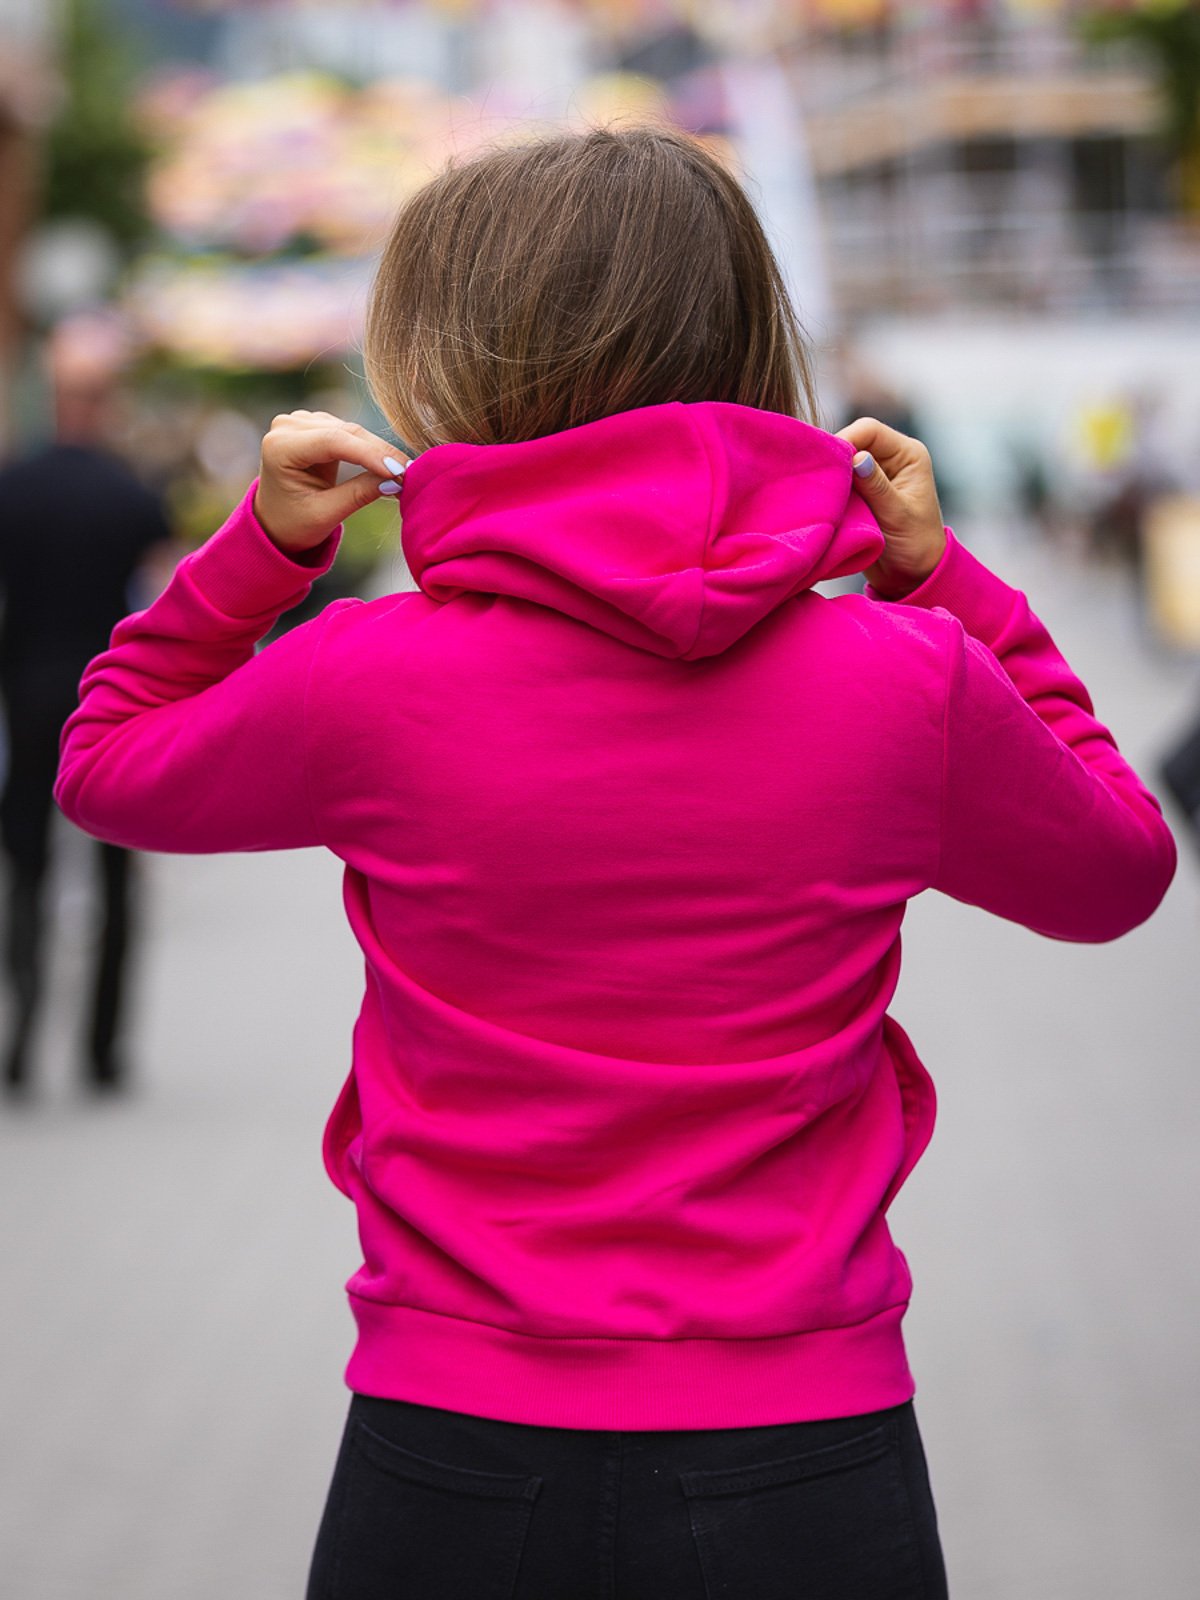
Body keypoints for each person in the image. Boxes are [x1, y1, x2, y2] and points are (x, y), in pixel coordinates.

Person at [53, 126, 1175, 1599]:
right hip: (807, 1448)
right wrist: (945, 584)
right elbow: (1120, 872)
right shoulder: (911, 677)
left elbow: (104, 764)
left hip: (446, 1437)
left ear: (451, 356)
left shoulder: (366, 674)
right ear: (745, 335)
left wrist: (257, 553)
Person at [1, 314, 174, 1096]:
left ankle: (21, 1040)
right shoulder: (132, 496)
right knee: (114, 881)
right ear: (103, 405)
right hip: (112, 706)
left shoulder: (14, 488)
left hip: (29, 697)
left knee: (27, 871)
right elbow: (163, 606)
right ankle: (103, 1053)